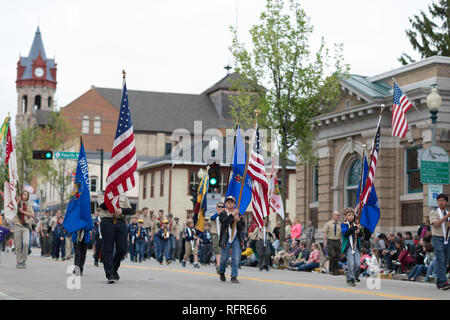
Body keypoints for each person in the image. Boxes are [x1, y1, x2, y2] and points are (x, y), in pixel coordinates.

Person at [98, 192, 135, 284]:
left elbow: (130, 209)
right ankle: (110, 274)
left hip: (120, 221)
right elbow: (103, 206)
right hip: (107, 221)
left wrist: (122, 210)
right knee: (108, 249)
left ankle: (114, 269)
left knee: (122, 248)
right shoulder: (103, 193)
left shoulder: (123, 194)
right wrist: (112, 198)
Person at [218, 195, 245, 283]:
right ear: (225, 203)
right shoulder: (222, 213)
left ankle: (234, 276)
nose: (229, 203)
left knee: (236, 258)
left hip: (236, 238)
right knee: (224, 259)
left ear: (234, 204)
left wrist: (238, 220)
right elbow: (224, 221)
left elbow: (242, 226)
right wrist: (231, 216)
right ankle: (221, 272)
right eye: (228, 202)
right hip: (226, 238)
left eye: (231, 202)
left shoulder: (238, 213)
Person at [429, 193, 450, 290]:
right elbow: (436, 224)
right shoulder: (434, 212)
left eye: (443, 200)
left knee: (445, 261)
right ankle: (444, 281)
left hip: (447, 239)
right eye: (439, 200)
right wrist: (446, 218)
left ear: (446, 202)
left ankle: (439, 282)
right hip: (437, 238)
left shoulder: (447, 212)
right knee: (441, 259)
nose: (441, 202)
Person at [341, 207, 363, 287]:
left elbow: (361, 235)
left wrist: (359, 231)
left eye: (352, 215)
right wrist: (355, 228)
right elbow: (346, 233)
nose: (351, 216)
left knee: (357, 264)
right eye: (349, 215)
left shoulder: (356, 224)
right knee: (351, 264)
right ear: (345, 216)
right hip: (348, 247)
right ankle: (351, 279)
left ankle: (351, 275)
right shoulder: (344, 224)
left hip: (356, 246)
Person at [14, 190, 35, 268]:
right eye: (24, 194)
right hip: (17, 225)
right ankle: (19, 262)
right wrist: (17, 202)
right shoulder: (16, 204)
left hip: (25, 226)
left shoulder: (29, 205)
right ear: (21, 195)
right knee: (18, 245)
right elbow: (12, 210)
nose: (25, 196)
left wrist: (23, 212)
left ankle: (24, 260)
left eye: (27, 195)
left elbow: (32, 215)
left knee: (26, 243)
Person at [322, 210, 341, 276]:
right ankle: (331, 269)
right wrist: (325, 241)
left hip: (337, 241)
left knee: (337, 256)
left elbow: (341, 234)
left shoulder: (340, 224)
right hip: (330, 241)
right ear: (333, 215)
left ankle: (336, 270)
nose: (338, 216)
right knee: (332, 255)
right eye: (336, 215)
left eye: (338, 215)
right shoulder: (328, 224)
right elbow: (325, 233)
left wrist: (341, 242)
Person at [210, 202, 224, 272]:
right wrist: (218, 213)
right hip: (215, 234)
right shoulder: (214, 214)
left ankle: (219, 264)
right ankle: (219, 266)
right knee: (217, 250)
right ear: (216, 208)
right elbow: (212, 218)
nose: (220, 208)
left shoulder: (224, 215)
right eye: (219, 206)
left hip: (222, 235)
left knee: (222, 251)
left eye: (222, 207)